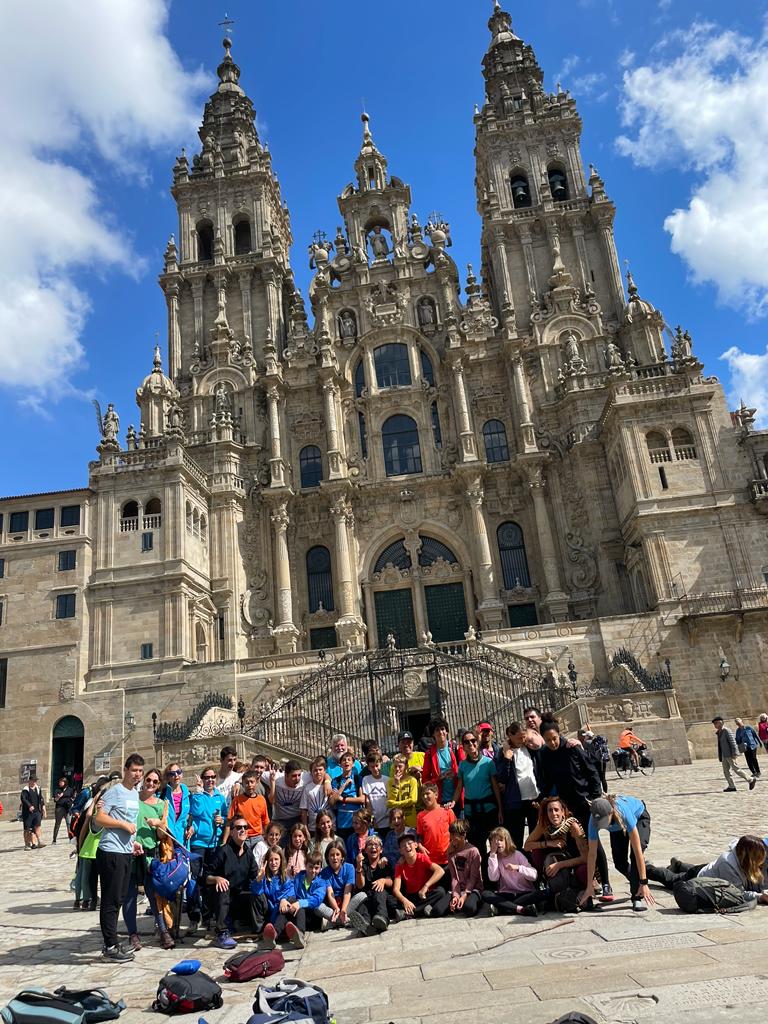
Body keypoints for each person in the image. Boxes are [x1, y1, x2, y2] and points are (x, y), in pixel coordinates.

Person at [539, 718, 613, 900]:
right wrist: (543, 799)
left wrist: (596, 797)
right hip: (566, 807)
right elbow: (547, 781)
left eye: (554, 738)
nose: (552, 743)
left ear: (559, 734)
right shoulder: (545, 755)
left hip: (583, 803)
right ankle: (584, 881)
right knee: (573, 844)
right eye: (548, 740)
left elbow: (592, 772)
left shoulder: (573, 748)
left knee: (593, 842)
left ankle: (606, 883)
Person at [93, 753, 145, 962]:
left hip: (125, 851)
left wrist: (134, 841)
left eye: (140, 771)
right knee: (111, 899)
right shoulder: (115, 792)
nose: (138, 775)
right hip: (111, 851)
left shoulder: (134, 794)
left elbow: (129, 820)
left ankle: (113, 940)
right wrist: (123, 825)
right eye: (134, 771)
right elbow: (99, 817)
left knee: (119, 898)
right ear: (126, 770)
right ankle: (110, 946)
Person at [580, 795, 655, 912]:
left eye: (604, 822)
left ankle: (637, 896)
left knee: (634, 856)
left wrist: (643, 882)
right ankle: (647, 875)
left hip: (639, 817)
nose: (602, 826)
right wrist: (589, 885)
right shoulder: (593, 820)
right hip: (617, 828)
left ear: (610, 813)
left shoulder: (623, 812)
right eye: (599, 823)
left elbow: (637, 851)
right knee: (619, 863)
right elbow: (592, 855)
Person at [645, 835, 768, 901]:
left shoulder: (740, 856)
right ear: (749, 857)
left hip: (708, 869)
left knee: (692, 869)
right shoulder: (728, 865)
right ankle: (647, 868)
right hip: (699, 878)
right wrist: (760, 897)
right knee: (671, 879)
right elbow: (737, 893)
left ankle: (678, 865)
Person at [204, 814, 260, 950]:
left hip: (238, 898)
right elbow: (204, 876)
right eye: (238, 827)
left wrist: (262, 877)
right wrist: (216, 878)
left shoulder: (248, 853)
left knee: (258, 893)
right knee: (224, 887)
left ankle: (260, 927)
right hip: (219, 898)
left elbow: (254, 877)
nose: (242, 830)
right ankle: (221, 933)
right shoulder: (223, 851)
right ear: (232, 831)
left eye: (245, 827)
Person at [453, 729, 503, 881]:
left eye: (473, 741)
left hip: (489, 810)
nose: (471, 744)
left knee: (495, 845)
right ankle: (481, 881)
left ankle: (498, 878)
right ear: (463, 746)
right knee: (477, 848)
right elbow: (459, 788)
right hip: (472, 813)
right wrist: (452, 802)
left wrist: (500, 809)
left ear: (478, 742)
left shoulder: (488, 763)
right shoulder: (462, 765)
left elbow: (495, 788)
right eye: (466, 742)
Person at [134, 768, 173, 949]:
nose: (151, 784)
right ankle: (133, 936)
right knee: (128, 896)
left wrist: (158, 823)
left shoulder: (161, 804)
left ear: (159, 785)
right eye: (148, 780)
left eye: (155, 782)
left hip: (150, 853)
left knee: (152, 894)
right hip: (130, 852)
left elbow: (161, 835)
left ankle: (163, 931)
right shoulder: (132, 799)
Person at [187, 766, 227, 936]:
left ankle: (208, 914)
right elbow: (196, 812)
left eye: (212, 777)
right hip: (198, 843)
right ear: (202, 780)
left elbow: (226, 818)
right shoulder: (198, 795)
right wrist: (197, 793)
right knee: (194, 880)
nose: (210, 780)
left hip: (214, 843)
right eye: (207, 777)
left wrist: (222, 819)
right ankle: (194, 916)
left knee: (210, 881)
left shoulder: (220, 797)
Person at [524, 796, 589, 895]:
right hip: (551, 865)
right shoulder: (543, 825)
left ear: (563, 812)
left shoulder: (572, 826)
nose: (554, 814)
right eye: (550, 810)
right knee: (536, 852)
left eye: (556, 810)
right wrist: (548, 843)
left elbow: (585, 858)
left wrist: (559, 865)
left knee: (585, 871)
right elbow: (527, 846)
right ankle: (541, 883)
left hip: (572, 864)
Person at [483, 826, 551, 916]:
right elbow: (493, 878)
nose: (498, 843)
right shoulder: (494, 858)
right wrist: (492, 855)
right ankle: (521, 909)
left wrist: (518, 868)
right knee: (486, 894)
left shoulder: (517, 854)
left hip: (524, 893)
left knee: (543, 893)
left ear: (507, 841)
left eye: (500, 840)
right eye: (495, 841)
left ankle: (503, 907)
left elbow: (534, 875)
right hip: (507, 893)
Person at [496, 721, 541, 852]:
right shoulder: (503, 752)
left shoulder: (530, 748)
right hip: (515, 802)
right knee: (516, 838)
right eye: (519, 737)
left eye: (524, 736)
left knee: (535, 835)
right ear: (510, 735)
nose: (522, 740)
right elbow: (502, 778)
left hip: (533, 798)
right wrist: (506, 760)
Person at [347, 833, 397, 935]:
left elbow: (391, 881)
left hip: (383, 898)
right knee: (363, 903)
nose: (373, 847)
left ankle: (382, 919)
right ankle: (365, 925)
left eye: (376, 845)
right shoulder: (363, 864)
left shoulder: (385, 861)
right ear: (365, 850)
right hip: (369, 898)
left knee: (379, 890)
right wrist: (359, 868)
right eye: (370, 845)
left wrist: (383, 881)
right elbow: (360, 885)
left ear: (381, 850)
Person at [392, 833, 450, 918]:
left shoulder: (422, 858)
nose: (407, 846)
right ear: (401, 851)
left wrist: (426, 886)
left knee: (440, 892)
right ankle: (423, 909)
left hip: (426, 893)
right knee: (395, 902)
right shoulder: (399, 865)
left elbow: (440, 870)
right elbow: (396, 889)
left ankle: (408, 914)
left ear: (415, 845)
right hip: (412, 896)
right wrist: (404, 901)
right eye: (403, 845)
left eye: (409, 843)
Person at [252, 848, 295, 948]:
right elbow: (256, 892)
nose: (273, 863)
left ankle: (277, 934)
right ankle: (261, 930)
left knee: (286, 909)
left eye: (276, 859)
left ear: (281, 861)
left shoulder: (285, 879)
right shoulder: (264, 878)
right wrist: (258, 879)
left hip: (279, 913)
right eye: (271, 860)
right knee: (256, 895)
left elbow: (291, 893)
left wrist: (284, 899)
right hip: (268, 912)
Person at [421, 716, 463, 807]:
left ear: (447, 731)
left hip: (457, 799)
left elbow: (465, 771)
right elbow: (425, 781)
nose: (440, 732)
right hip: (440, 802)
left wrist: (455, 773)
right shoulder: (429, 754)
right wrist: (438, 778)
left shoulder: (456, 749)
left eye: (442, 729)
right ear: (433, 734)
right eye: (437, 730)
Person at [284, 851, 327, 938]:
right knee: (288, 901)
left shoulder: (321, 882)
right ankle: (277, 932)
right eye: (310, 867)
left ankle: (300, 934)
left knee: (302, 906)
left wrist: (299, 903)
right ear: (305, 865)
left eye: (316, 868)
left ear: (321, 868)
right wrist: (284, 900)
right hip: (298, 914)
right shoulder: (299, 877)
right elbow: (291, 890)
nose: (313, 871)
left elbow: (316, 900)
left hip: (311, 916)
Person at [223, 769, 269, 848]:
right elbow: (228, 822)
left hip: (258, 837)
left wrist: (267, 838)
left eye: (252, 782)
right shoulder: (237, 800)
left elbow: (265, 821)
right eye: (247, 782)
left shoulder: (261, 799)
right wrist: (224, 842)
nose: (250, 785)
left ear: (256, 783)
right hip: (242, 836)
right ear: (243, 784)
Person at [445, 820, 482, 917]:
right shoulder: (450, 851)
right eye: (451, 834)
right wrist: (456, 896)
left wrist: (465, 895)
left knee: (469, 909)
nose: (452, 837)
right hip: (458, 888)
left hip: (472, 888)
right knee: (438, 910)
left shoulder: (473, 851)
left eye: (455, 835)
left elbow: (474, 877)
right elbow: (454, 877)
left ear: (463, 835)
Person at [712, 715, 757, 791]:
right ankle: (731, 786)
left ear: (721, 722)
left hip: (730, 754)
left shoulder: (726, 730)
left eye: (716, 723)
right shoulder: (719, 732)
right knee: (726, 771)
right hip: (724, 755)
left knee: (736, 769)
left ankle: (750, 779)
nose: (715, 725)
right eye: (714, 724)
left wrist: (735, 753)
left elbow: (733, 742)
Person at [417, 783, 455, 867]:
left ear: (436, 795)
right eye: (423, 795)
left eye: (427, 793)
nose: (425, 797)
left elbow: (456, 833)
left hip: (448, 859)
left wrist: (452, 845)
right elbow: (420, 837)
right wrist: (420, 846)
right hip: (430, 861)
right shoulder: (420, 816)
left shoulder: (447, 811)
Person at [267, 760, 311, 832]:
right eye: (294, 776)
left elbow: (323, 773)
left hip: (297, 818)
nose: (297, 779)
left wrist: (327, 782)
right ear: (286, 775)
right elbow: (251, 774)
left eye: (299, 775)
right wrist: (272, 781)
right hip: (279, 820)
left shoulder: (305, 778)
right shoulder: (276, 777)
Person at [328, 751, 364, 838]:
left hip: (356, 822)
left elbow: (362, 799)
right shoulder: (336, 781)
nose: (346, 761)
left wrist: (343, 799)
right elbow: (332, 802)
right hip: (342, 823)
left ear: (353, 764)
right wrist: (344, 785)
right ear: (340, 764)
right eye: (344, 760)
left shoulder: (357, 778)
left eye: (349, 760)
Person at [320, 839, 355, 928]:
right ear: (327, 857)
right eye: (331, 855)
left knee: (362, 895)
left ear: (342, 857)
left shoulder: (349, 868)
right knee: (317, 905)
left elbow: (348, 892)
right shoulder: (324, 872)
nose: (335, 858)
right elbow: (329, 893)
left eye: (337, 854)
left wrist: (343, 910)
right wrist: (336, 909)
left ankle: (334, 921)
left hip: (346, 903)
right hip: (332, 905)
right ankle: (344, 920)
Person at [386, 754, 420, 829]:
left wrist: (396, 804)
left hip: (410, 821)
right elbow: (389, 802)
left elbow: (413, 800)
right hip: (396, 822)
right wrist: (397, 785)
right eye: (395, 766)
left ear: (406, 766)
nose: (397, 769)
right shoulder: (390, 782)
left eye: (400, 766)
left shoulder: (412, 780)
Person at [160, 763, 190, 843]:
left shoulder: (188, 794)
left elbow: (192, 814)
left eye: (178, 772)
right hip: (167, 836)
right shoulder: (163, 793)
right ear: (168, 777)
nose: (176, 775)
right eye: (172, 774)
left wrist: (192, 827)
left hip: (182, 837)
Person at [300, 756, 331, 831]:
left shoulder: (330, 784)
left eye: (320, 770)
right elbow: (304, 810)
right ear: (311, 772)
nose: (318, 772)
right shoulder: (307, 788)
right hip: (313, 828)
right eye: (315, 770)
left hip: (329, 827)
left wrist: (328, 781)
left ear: (325, 771)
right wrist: (305, 828)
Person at [361, 752, 389, 833]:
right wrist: (371, 817)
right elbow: (367, 800)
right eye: (372, 767)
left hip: (387, 820)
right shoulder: (366, 779)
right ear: (368, 767)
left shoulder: (387, 780)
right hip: (375, 822)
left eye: (377, 766)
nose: (375, 769)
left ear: (381, 764)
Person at [579, 727, 609, 793]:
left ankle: (599, 792)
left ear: (587, 736)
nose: (584, 737)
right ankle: (606, 792)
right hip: (602, 761)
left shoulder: (586, 743)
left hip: (595, 762)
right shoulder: (597, 742)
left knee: (596, 778)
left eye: (585, 736)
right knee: (603, 778)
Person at [20, 776, 46, 850]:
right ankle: (27, 844)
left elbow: (41, 798)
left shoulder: (38, 789)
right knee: (27, 829)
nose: (34, 782)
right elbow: (23, 799)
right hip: (27, 813)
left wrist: (43, 808)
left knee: (37, 826)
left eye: (35, 780)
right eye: (33, 780)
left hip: (37, 811)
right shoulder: (25, 790)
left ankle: (40, 841)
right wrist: (29, 806)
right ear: (29, 781)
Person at [52, 777, 74, 844]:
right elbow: (55, 800)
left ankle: (71, 838)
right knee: (57, 824)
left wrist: (71, 801)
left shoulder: (70, 790)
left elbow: (72, 797)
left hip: (68, 809)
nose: (60, 783)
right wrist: (58, 797)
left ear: (65, 782)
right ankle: (54, 839)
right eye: (59, 782)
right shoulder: (57, 790)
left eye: (61, 782)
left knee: (69, 824)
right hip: (59, 808)